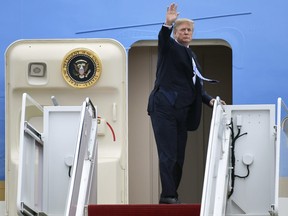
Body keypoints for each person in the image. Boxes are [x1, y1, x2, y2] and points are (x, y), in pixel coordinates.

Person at [147, 3, 225, 204]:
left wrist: (210, 100)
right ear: (175, 33)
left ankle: (172, 194)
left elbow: (196, 85)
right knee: (168, 154)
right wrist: (167, 24)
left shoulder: (192, 56)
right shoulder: (169, 47)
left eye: (189, 30)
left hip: (182, 111)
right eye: (182, 29)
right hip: (164, 107)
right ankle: (168, 195)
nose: (187, 32)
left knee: (179, 157)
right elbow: (163, 39)